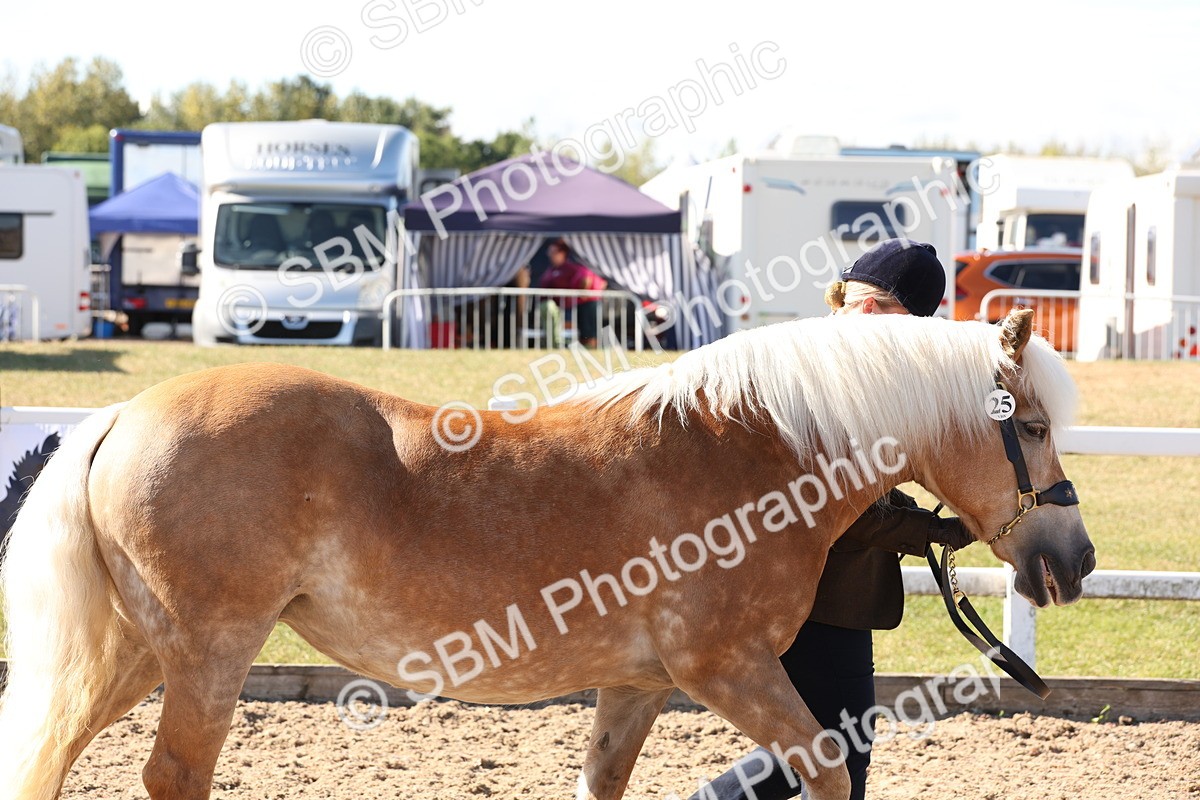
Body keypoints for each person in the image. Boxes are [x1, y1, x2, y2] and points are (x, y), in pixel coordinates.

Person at [690, 239, 976, 800]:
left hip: (823, 589)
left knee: (815, 750)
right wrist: (936, 531)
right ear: (871, 311)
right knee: (834, 754)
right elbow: (838, 503)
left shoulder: (829, 363)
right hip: (821, 591)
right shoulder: (829, 376)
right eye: (911, 328)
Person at [537, 239, 607, 347]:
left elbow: (588, 279)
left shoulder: (575, 267)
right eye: (550, 252)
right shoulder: (551, 270)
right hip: (565, 307)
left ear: (563, 253)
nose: (550, 255)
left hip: (579, 305)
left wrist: (584, 292)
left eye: (554, 252)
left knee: (587, 334)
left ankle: (589, 350)